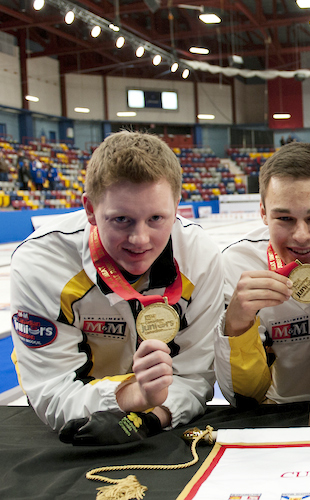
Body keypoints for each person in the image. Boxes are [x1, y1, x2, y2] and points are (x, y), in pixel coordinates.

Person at [10, 131, 224, 445]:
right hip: (72, 430)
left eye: (156, 218)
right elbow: (53, 392)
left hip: (158, 424)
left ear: (177, 206)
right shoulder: (42, 262)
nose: (140, 239)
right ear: (90, 209)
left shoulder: (200, 257)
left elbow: (195, 378)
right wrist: (131, 395)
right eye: (121, 219)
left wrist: (148, 419)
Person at [215, 142, 310, 406]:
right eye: (285, 219)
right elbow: (244, 399)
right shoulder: (239, 265)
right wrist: (236, 326)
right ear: (263, 213)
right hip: (285, 414)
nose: (301, 236)